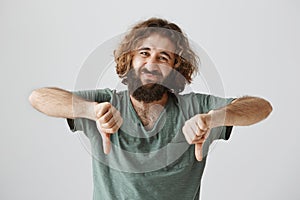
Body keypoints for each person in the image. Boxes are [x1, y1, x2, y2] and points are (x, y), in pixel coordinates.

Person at [29, 18, 272, 200]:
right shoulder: (106, 103)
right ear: (130, 59)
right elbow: (38, 97)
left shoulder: (196, 108)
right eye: (144, 53)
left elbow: (262, 107)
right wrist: (90, 111)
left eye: (163, 57)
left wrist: (213, 119)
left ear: (176, 67)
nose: (151, 64)